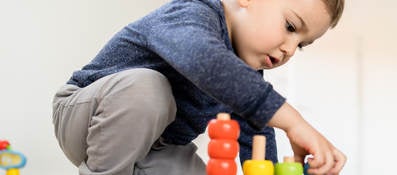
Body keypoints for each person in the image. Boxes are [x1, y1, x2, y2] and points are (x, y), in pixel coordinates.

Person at [52, 0, 346, 174]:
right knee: (148, 89)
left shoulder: (247, 76)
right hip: (86, 118)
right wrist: (292, 122)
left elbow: (256, 136)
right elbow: (204, 60)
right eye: (291, 27)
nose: (290, 49)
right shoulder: (193, 13)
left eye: (302, 45)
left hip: (159, 148)